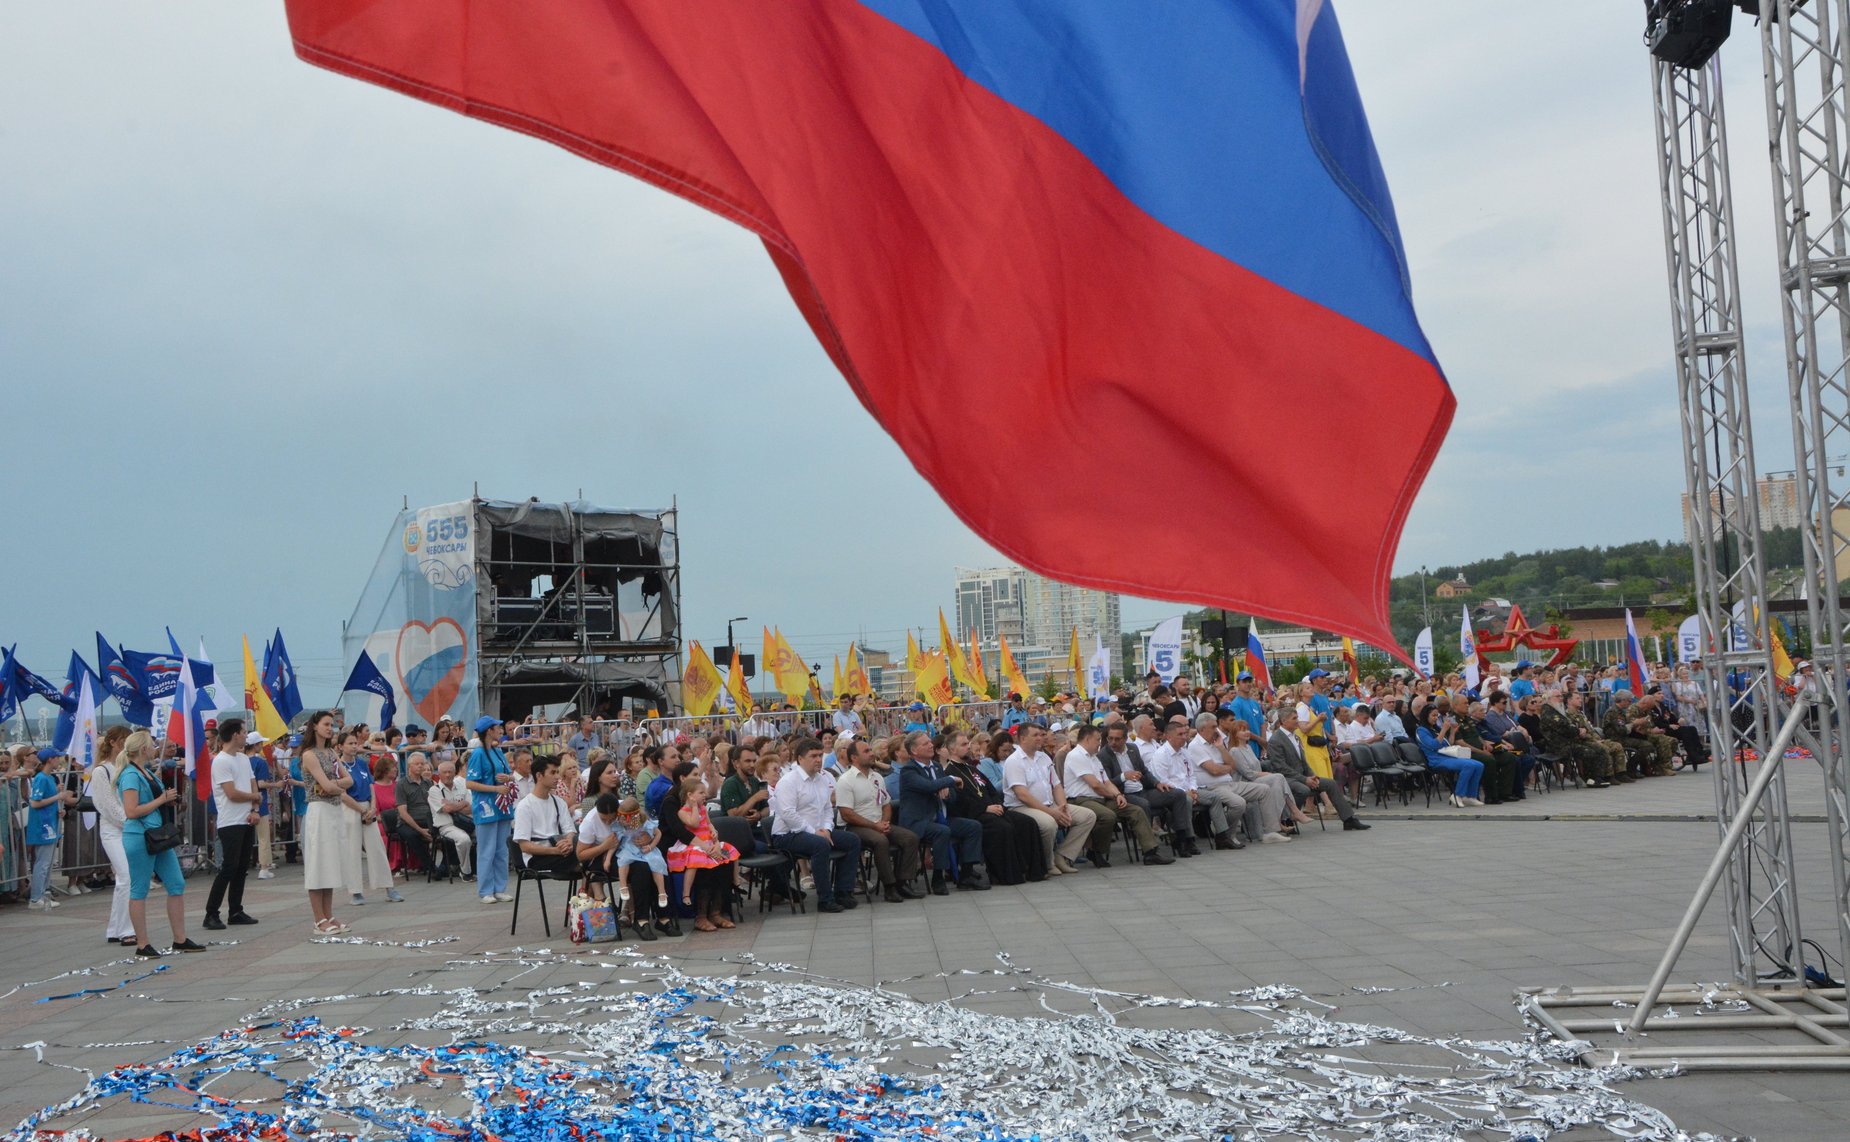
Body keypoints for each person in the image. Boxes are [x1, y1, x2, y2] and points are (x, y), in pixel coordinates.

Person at [115, 731, 207, 956]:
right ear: (143, 749)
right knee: (139, 888)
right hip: (140, 836)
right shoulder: (130, 775)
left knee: (176, 883)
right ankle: (142, 943)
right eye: (152, 745)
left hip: (158, 834)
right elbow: (131, 810)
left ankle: (180, 938)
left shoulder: (145, 772)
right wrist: (161, 800)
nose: (156, 748)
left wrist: (168, 800)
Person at [771, 739, 862, 913]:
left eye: (820, 755)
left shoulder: (821, 779)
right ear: (800, 759)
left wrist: (827, 829)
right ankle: (825, 899)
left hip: (817, 831)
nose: (818, 760)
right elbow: (788, 814)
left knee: (852, 840)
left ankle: (843, 892)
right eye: (813, 756)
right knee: (820, 844)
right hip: (787, 834)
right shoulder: (788, 781)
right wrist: (815, 832)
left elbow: (828, 808)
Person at [943, 729, 1045, 884]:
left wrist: (996, 803)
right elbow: (959, 802)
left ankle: (1033, 871)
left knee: (1027, 822)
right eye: (963, 745)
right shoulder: (949, 772)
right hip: (974, 814)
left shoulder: (971, 769)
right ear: (952, 749)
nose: (968, 747)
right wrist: (985, 808)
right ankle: (1005, 875)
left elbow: (990, 789)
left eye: (968, 744)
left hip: (993, 808)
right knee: (1003, 828)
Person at [1062, 723, 1171, 866]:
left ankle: (1150, 852)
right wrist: (1114, 796)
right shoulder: (1076, 756)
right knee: (1108, 815)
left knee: (1135, 810)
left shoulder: (1093, 757)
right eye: (1098, 740)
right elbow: (1095, 784)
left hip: (1100, 798)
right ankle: (1096, 851)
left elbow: (1106, 782)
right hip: (1082, 799)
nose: (1100, 743)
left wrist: (1118, 795)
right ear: (1087, 739)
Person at [895, 730, 990, 892]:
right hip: (919, 821)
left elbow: (952, 795)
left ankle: (966, 874)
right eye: (925, 744)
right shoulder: (909, 771)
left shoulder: (937, 767)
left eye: (930, 742)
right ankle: (938, 877)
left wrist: (947, 794)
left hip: (942, 817)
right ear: (914, 751)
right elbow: (928, 787)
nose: (931, 745)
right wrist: (951, 780)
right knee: (942, 831)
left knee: (973, 827)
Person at [836, 736, 924, 902]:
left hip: (878, 823)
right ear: (854, 758)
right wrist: (875, 826)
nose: (871, 754)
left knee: (910, 838)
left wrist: (884, 823)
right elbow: (847, 813)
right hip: (855, 826)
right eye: (866, 751)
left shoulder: (877, 777)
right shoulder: (845, 781)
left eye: (870, 750)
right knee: (880, 841)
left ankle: (903, 882)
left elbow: (886, 804)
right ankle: (889, 887)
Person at [1002, 724, 1095, 874]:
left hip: (1050, 805)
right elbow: (1022, 795)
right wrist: (1052, 813)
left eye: (1041, 734)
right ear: (1023, 739)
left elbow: (1056, 785)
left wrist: (1063, 806)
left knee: (1087, 816)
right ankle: (1047, 862)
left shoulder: (1043, 757)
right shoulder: (1014, 761)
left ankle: (1062, 855)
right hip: (1022, 808)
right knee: (1048, 824)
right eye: (1036, 735)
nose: (1041, 738)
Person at [661, 761, 742, 931]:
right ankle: (701, 915)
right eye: (695, 775)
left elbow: (708, 824)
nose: (699, 778)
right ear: (683, 780)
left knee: (724, 862)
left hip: (702, 842)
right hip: (680, 845)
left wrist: (714, 843)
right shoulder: (672, 801)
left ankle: (717, 912)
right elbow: (681, 832)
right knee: (705, 868)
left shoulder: (701, 804)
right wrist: (707, 848)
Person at [1100, 718, 1195, 855]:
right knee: (1143, 804)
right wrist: (1123, 776)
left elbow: (1144, 771)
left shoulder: (1132, 749)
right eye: (1110, 739)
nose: (1113, 743)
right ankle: (1149, 847)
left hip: (1142, 790)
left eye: (1117, 739)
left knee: (1178, 794)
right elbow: (1106, 783)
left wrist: (1157, 783)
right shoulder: (1104, 754)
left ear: (1126, 739)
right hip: (1124, 794)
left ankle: (1181, 839)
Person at [1264, 706, 1367, 828]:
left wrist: (1312, 775)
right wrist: (1305, 779)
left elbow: (1303, 762)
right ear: (1284, 721)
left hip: (1302, 777)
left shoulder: (1295, 736)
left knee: (1331, 784)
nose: (1297, 721)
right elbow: (1280, 767)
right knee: (1303, 789)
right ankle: (1287, 819)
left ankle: (1349, 819)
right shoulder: (1276, 740)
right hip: (1286, 778)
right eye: (1294, 718)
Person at [203, 717, 262, 930]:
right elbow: (231, 793)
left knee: (241, 868)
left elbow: (252, 783)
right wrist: (254, 798)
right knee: (228, 867)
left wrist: (255, 808)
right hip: (230, 821)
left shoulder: (243, 759)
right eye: (244, 731)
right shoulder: (221, 761)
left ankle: (235, 910)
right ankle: (211, 913)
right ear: (235, 734)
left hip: (247, 818)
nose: (246, 735)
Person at [298, 712, 353, 934]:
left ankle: (329, 914)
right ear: (315, 726)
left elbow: (349, 779)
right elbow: (324, 786)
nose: (330, 728)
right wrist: (335, 786)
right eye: (326, 724)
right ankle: (318, 919)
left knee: (331, 864)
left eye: (332, 725)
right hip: (319, 810)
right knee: (317, 865)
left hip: (334, 809)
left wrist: (334, 785)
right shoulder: (309, 755)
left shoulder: (331, 752)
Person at [1212, 711, 1300, 842]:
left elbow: (1257, 768)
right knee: (1277, 778)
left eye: (1247, 730)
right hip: (1245, 781)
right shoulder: (1235, 751)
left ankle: (1276, 824)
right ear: (1235, 734)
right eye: (1242, 731)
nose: (1247, 732)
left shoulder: (1248, 747)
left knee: (1276, 783)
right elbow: (1248, 774)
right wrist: (1267, 774)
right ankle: (1291, 813)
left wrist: (1266, 775)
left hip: (1256, 779)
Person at [87, 728, 137, 944]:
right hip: (112, 829)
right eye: (123, 741)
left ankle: (115, 928)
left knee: (125, 878)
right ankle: (125, 929)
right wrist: (130, 820)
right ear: (113, 742)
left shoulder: (124, 766)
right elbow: (107, 805)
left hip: (128, 825)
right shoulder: (101, 771)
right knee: (125, 875)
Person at [341, 737, 403, 905]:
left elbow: (371, 786)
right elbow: (342, 794)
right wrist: (362, 810)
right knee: (353, 850)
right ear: (341, 746)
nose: (354, 746)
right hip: (351, 808)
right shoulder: (338, 767)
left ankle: (388, 887)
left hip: (367, 807)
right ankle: (356, 892)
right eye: (350, 743)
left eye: (355, 743)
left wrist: (373, 808)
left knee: (377, 848)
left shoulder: (361, 764)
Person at [466, 715, 517, 904]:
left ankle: (500, 887)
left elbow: (503, 775)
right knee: (487, 849)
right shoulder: (478, 753)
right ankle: (486, 890)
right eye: (497, 728)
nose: (500, 730)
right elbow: (470, 783)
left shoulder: (496, 751)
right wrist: (496, 788)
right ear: (489, 731)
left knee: (501, 849)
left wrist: (508, 779)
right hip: (486, 805)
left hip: (501, 805)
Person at [25, 749, 76, 911]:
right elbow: (35, 803)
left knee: (45, 863)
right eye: (56, 758)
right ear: (50, 760)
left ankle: (42, 895)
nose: (59, 761)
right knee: (43, 862)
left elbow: (47, 801)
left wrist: (58, 809)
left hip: (50, 824)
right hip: (43, 826)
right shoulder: (41, 778)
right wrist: (57, 797)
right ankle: (36, 898)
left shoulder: (47, 778)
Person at [513, 754, 580, 873]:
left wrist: (568, 843)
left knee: (587, 853)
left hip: (560, 852)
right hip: (537, 858)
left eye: (558, 772)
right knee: (584, 857)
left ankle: (588, 891)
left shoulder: (559, 802)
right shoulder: (524, 806)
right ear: (539, 775)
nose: (558, 777)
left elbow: (570, 831)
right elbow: (524, 846)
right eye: (553, 773)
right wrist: (555, 850)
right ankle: (589, 890)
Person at [1414, 703, 1484, 807]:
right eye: (1433, 715)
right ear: (1426, 716)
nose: (1435, 718)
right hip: (1436, 760)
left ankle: (1470, 796)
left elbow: (1449, 744)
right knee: (1468, 765)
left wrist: (1452, 732)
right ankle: (1458, 794)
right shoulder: (1421, 730)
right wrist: (1443, 730)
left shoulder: (1435, 728)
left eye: (1436, 716)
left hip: (1447, 756)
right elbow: (1434, 745)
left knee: (1479, 765)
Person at [427, 757, 476, 878]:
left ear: (455, 773)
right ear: (439, 774)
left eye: (450, 772)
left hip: (466, 823)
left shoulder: (462, 786)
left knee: (485, 835)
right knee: (464, 839)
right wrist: (462, 804)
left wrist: (453, 805)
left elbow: (472, 808)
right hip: (446, 826)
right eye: (445, 772)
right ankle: (466, 872)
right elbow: (446, 809)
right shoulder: (434, 790)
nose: (448, 775)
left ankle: (482, 868)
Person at [395, 750, 440, 874]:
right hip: (407, 821)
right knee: (413, 835)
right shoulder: (401, 784)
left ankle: (447, 865)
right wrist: (420, 830)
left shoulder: (428, 782)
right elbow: (403, 813)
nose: (420, 766)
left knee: (446, 831)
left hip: (427, 818)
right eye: (417, 764)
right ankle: (430, 867)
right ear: (410, 766)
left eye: (422, 763)